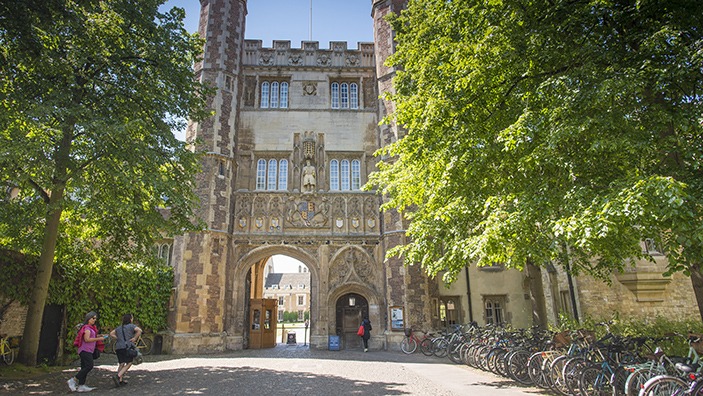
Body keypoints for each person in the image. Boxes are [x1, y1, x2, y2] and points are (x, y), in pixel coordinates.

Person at [67, 311, 107, 393]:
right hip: (85, 350)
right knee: (89, 366)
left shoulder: (90, 328)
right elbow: (87, 339)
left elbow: (91, 337)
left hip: (88, 350)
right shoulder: (87, 328)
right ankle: (73, 380)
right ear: (88, 318)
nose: (94, 320)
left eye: (95, 318)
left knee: (84, 367)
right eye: (93, 318)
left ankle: (81, 385)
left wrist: (99, 336)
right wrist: (99, 339)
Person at [109, 313, 142, 387]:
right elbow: (139, 330)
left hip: (118, 347)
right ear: (130, 319)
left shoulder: (119, 328)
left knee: (121, 363)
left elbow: (111, 333)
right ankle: (118, 376)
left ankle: (120, 381)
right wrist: (134, 338)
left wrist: (118, 338)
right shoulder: (131, 326)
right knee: (129, 363)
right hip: (126, 347)